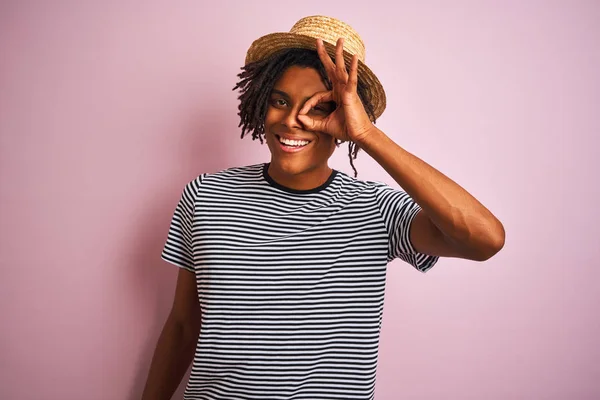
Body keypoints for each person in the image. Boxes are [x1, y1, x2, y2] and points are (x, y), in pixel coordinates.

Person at [141, 15, 505, 400]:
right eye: (280, 101)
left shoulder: (376, 209)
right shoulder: (207, 195)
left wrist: (368, 136)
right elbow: (184, 323)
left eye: (318, 108)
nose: (293, 120)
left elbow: (485, 239)